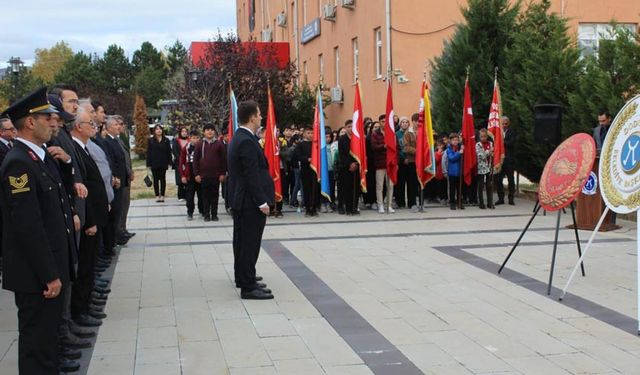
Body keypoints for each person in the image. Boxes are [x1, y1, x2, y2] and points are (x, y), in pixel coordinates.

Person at [0, 87, 76, 375]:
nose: (53, 122)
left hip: (48, 270)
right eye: (47, 117)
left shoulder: (38, 157)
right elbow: (27, 226)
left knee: (47, 344)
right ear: (30, 122)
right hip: (36, 277)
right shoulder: (18, 162)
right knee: (36, 345)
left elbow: (59, 200)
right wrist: (49, 274)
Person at [227, 100, 275, 300]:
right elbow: (251, 175)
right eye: (259, 114)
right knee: (249, 243)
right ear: (252, 117)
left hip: (242, 200)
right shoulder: (245, 140)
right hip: (249, 202)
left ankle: (244, 276)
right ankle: (248, 286)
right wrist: (261, 201)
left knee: (242, 242)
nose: (261, 117)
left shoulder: (241, 137)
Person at [69, 107, 110, 333]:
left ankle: (87, 303)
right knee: (84, 266)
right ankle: (80, 310)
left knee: (89, 264)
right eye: (89, 123)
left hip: (94, 214)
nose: (93, 127)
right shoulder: (75, 148)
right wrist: (91, 219)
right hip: (88, 218)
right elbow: (85, 189)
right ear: (78, 127)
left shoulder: (82, 148)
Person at [193, 124, 227, 222]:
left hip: (216, 176)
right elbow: (195, 160)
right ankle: (206, 214)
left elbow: (223, 160)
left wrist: (222, 173)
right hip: (203, 175)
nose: (210, 132)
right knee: (205, 196)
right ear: (204, 132)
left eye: (212, 130)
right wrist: (196, 174)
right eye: (207, 130)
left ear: (214, 132)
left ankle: (214, 214)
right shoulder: (199, 144)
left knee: (215, 195)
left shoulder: (219, 144)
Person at [293, 127, 320, 217]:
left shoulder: (316, 144)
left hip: (315, 170)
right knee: (307, 189)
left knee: (315, 189)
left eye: (312, 133)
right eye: (308, 133)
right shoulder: (300, 145)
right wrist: (307, 159)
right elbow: (297, 156)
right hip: (305, 169)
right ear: (304, 134)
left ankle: (314, 208)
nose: (311, 135)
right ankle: (308, 208)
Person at [371, 120, 394, 214]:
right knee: (380, 186)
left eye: (386, 121)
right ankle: (380, 205)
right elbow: (374, 147)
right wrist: (384, 146)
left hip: (390, 164)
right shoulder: (375, 134)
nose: (384, 123)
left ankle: (389, 205)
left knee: (391, 185)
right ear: (380, 122)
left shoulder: (391, 133)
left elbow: (395, 148)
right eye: (383, 121)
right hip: (380, 164)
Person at [180, 130, 204, 220]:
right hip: (189, 174)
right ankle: (190, 212)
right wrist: (182, 175)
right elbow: (181, 163)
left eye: (197, 138)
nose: (195, 140)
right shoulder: (186, 148)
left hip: (200, 174)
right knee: (189, 196)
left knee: (201, 195)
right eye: (193, 138)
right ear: (190, 138)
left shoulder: (202, 147)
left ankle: (201, 211)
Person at [338, 120, 360, 215]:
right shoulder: (342, 139)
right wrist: (350, 164)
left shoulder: (357, 138)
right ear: (345, 128)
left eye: (352, 126)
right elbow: (342, 154)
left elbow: (360, 153)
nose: (351, 128)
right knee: (346, 188)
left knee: (355, 188)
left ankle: (355, 207)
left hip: (356, 166)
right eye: (349, 127)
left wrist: (356, 164)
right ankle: (348, 208)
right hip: (345, 167)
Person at [146, 125, 173, 202]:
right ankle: (157, 195)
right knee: (155, 180)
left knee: (163, 179)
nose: (159, 130)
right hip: (154, 163)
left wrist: (170, 162)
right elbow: (149, 153)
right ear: (154, 131)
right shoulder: (151, 140)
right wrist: (148, 164)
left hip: (163, 162)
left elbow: (169, 152)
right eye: (157, 129)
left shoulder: (166, 140)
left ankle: (163, 195)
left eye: (160, 129)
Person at [494, 116, 516, 205]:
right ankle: (501, 198)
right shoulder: (498, 132)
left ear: (508, 124)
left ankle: (511, 198)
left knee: (511, 179)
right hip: (499, 160)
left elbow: (512, 143)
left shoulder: (512, 132)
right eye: (502, 124)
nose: (504, 125)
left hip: (509, 159)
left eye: (506, 124)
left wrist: (502, 142)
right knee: (498, 179)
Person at [476, 129, 494, 209]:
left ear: (487, 136)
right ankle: (481, 203)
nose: (483, 138)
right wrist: (489, 152)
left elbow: (493, 154)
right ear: (479, 137)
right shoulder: (478, 145)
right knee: (480, 185)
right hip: (481, 168)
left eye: (485, 136)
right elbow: (480, 156)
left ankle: (490, 203)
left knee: (489, 185)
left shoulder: (490, 143)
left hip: (489, 167)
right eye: (481, 136)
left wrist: (492, 153)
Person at [404, 114, 419, 211]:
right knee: (412, 182)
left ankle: (421, 202)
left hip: (421, 162)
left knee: (420, 182)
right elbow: (406, 147)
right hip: (412, 161)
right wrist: (418, 152)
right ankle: (412, 202)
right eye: (416, 121)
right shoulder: (408, 133)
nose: (418, 123)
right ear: (413, 121)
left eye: (420, 121)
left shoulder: (423, 132)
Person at [447, 133, 464, 210]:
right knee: (452, 189)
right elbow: (451, 158)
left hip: (460, 172)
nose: (455, 141)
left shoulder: (460, 147)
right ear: (450, 141)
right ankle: (452, 203)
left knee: (459, 188)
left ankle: (459, 202)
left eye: (456, 140)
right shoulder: (449, 149)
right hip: (452, 172)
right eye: (453, 140)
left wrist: (462, 150)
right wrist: (459, 153)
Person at [395, 116, 409, 208]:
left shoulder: (411, 134)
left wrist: (408, 157)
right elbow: (397, 148)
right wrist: (403, 158)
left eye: (406, 122)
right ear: (400, 124)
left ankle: (411, 202)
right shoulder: (396, 134)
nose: (404, 123)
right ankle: (400, 202)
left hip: (410, 161)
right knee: (400, 183)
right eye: (403, 122)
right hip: (400, 161)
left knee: (410, 182)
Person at [172, 127, 189, 201]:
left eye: (185, 131)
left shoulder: (189, 141)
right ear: (180, 132)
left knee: (188, 178)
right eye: (182, 131)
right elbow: (175, 151)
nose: (184, 133)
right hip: (179, 162)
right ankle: (181, 195)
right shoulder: (176, 141)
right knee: (180, 179)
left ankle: (187, 195)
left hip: (188, 162)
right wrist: (181, 161)